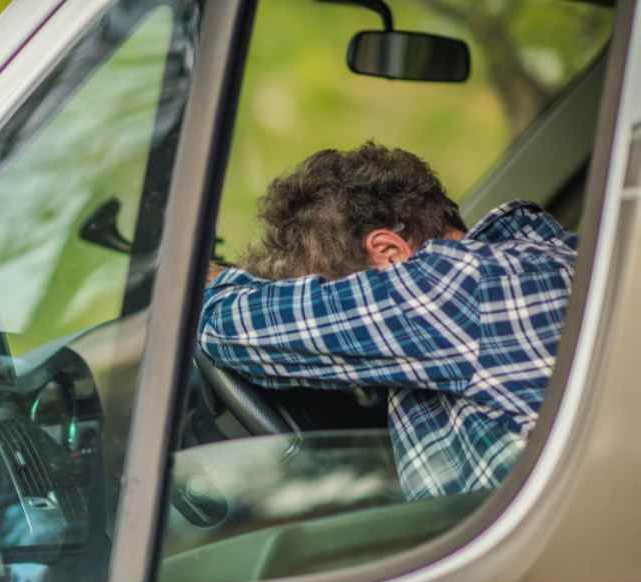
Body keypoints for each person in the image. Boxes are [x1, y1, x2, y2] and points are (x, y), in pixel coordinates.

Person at [199, 141, 578, 499]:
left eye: (331, 294)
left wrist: (190, 281)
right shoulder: (537, 264)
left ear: (389, 253)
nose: (335, 308)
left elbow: (229, 326)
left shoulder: (454, 285)